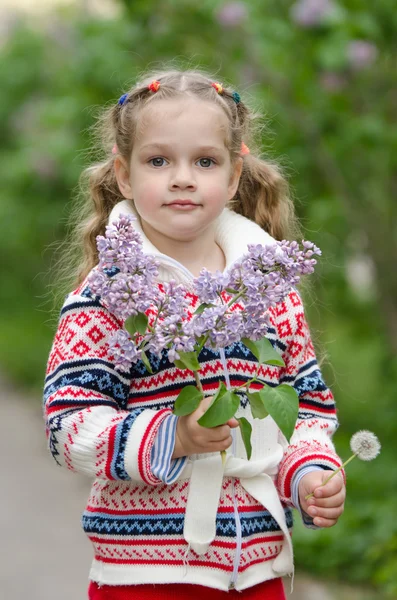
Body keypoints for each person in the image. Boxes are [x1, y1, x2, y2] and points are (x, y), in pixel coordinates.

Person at [43, 69, 346, 600]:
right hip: (147, 574)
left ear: (233, 178)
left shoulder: (270, 289)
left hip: (257, 568)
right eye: (158, 161)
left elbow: (306, 412)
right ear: (124, 174)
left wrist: (308, 474)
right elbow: (68, 424)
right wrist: (171, 437)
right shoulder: (108, 295)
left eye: (205, 161)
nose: (182, 178)